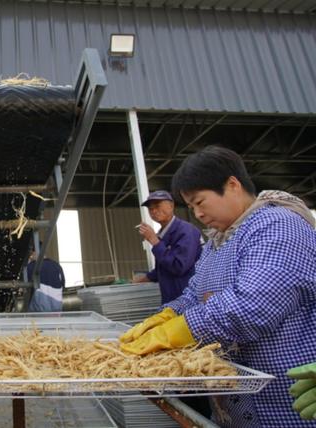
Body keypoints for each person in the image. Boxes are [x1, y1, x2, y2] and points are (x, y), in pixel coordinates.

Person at [120, 146, 316, 427]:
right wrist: (166, 316)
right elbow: (193, 294)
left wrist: (179, 330)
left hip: (284, 401)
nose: (197, 213)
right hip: (235, 403)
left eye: (201, 202)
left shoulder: (278, 227)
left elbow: (251, 308)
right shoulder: (217, 241)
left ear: (233, 185)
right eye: (191, 206)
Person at [134, 190, 203, 304]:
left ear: (171, 206)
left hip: (187, 299)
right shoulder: (162, 233)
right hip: (171, 299)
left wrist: (154, 241)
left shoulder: (186, 231)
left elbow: (179, 266)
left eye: (157, 206)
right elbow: (163, 269)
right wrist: (146, 278)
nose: (154, 211)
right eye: (151, 209)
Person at [26, 245, 65, 312]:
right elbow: (63, 284)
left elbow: (26, 286)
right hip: (57, 309)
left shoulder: (32, 266)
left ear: (34, 252)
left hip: (39, 310)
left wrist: (28, 262)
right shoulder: (57, 266)